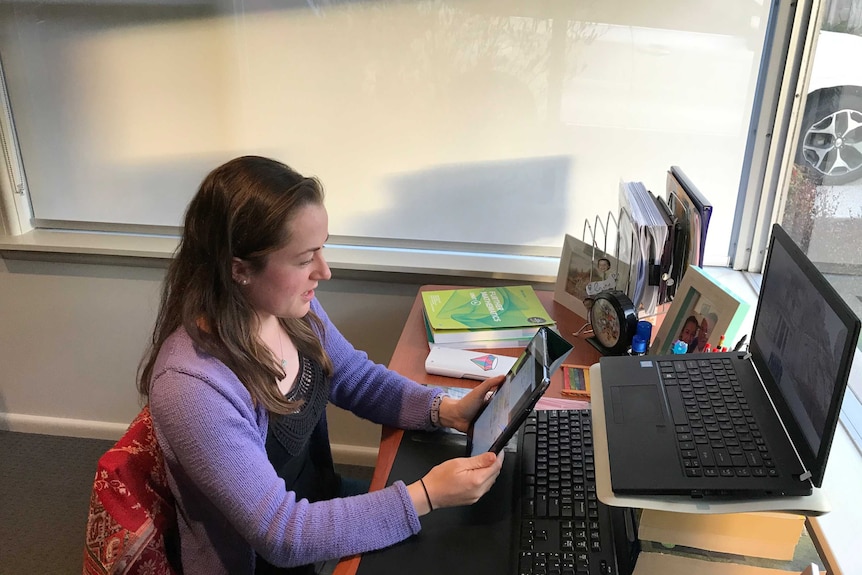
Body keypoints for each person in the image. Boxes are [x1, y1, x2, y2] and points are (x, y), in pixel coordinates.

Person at [137, 156, 505, 575]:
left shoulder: (290, 310)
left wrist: (445, 409)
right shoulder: (191, 386)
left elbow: (356, 379)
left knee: (468, 539)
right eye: (304, 259)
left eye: (322, 249)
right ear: (239, 269)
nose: (324, 271)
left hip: (320, 506)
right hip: (271, 559)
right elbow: (283, 534)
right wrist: (427, 495)